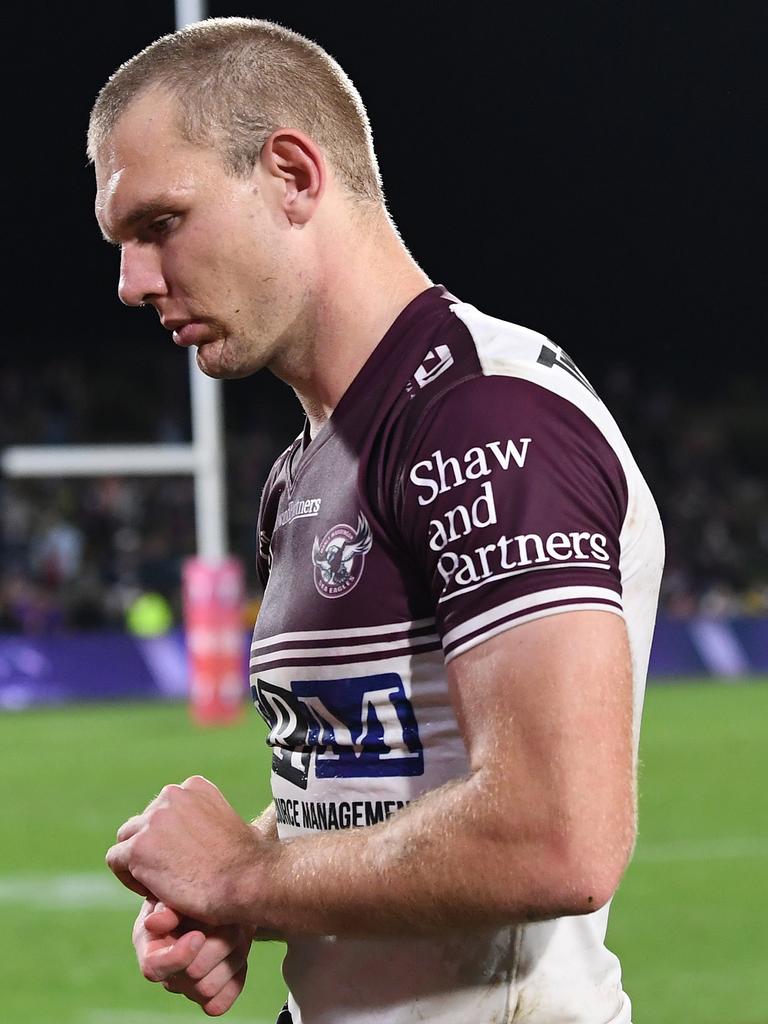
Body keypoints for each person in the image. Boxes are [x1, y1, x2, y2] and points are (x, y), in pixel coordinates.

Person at [90, 17, 664, 1024]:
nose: (134, 283)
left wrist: (244, 880)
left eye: (161, 224)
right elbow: (377, 786)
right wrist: (243, 880)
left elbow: (557, 835)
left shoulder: (485, 416)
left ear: (292, 174)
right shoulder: (306, 466)